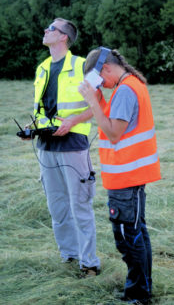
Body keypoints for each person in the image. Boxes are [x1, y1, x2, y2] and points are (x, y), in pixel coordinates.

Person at [78, 47, 161, 304]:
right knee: (137, 234)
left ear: (105, 68)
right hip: (130, 176)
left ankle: (138, 295)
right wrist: (100, 99)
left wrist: (93, 101)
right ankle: (141, 289)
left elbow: (114, 132)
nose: (102, 85)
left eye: (100, 80)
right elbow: (117, 124)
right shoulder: (129, 85)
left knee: (129, 240)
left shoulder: (125, 90)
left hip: (127, 178)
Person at [31, 18, 100, 276]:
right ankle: (69, 256)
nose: (45, 30)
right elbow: (42, 108)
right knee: (57, 207)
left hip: (73, 146)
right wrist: (33, 129)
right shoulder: (42, 68)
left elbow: (99, 104)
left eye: (51, 28)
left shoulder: (84, 66)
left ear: (63, 37)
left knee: (80, 205)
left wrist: (73, 121)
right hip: (45, 147)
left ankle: (89, 263)